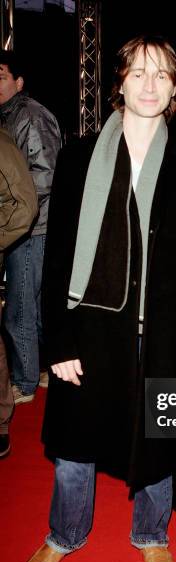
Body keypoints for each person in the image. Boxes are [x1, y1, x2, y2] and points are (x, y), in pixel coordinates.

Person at [18, 35, 176, 562]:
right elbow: (56, 257)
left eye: (161, 75)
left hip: (159, 328)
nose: (149, 85)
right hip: (91, 322)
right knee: (76, 441)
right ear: (118, 81)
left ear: (174, 89)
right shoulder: (77, 158)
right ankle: (64, 534)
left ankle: (152, 534)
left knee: (156, 435)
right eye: (138, 73)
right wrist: (59, 344)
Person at [0, 50, 61, 405]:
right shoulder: (11, 116)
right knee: (32, 306)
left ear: (19, 82)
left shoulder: (29, 116)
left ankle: (24, 382)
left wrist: (11, 204)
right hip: (25, 223)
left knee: (20, 308)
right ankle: (40, 371)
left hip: (33, 226)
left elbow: (47, 173)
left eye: (2, 76)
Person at [0, 128, 38, 458]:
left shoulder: (6, 136)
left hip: (32, 233)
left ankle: (23, 386)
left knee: (20, 311)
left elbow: (26, 202)